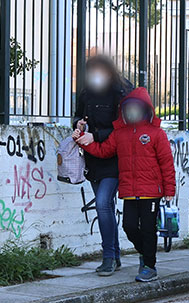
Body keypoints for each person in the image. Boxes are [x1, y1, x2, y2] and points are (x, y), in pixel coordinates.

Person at [74, 87, 176, 282]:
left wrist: (169, 190)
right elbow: (104, 151)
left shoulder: (156, 133)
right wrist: (83, 142)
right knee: (129, 227)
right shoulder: (120, 134)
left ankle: (149, 266)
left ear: (146, 110)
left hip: (151, 193)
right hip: (129, 192)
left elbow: (167, 163)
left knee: (147, 229)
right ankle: (144, 253)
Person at [73, 55, 132, 276]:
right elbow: (78, 115)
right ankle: (114, 256)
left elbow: (125, 127)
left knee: (102, 204)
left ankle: (108, 257)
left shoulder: (121, 93)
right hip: (93, 158)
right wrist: (78, 125)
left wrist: (95, 135)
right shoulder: (86, 93)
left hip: (115, 158)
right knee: (105, 206)